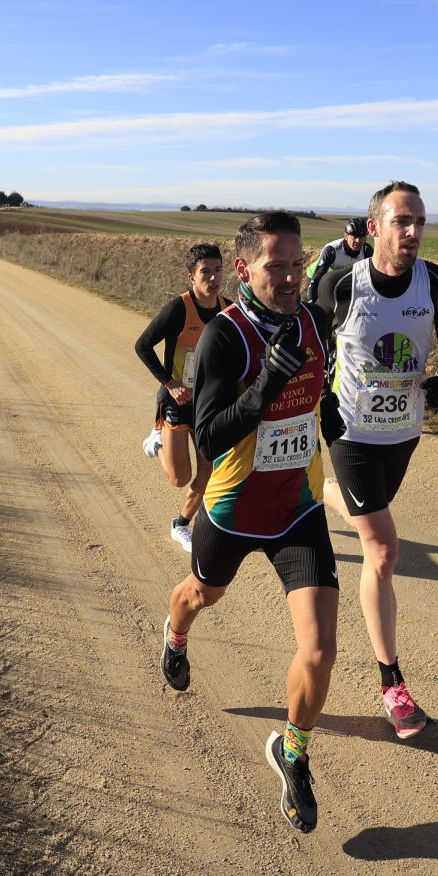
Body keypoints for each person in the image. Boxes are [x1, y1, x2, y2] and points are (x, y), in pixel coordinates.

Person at [161, 210, 344, 834]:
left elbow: (322, 391)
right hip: (233, 511)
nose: (292, 276)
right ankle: (175, 635)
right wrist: (267, 382)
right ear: (244, 269)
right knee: (199, 596)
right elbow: (208, 434)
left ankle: (292, 752)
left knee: (320, 650)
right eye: (277, 266)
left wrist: (335, 418)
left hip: (299, 509)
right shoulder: (224, 337)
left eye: (298, 264)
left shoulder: (314, 321)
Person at [313, 181, 438, 739]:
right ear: (374, 227)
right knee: (382, 547)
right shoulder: (342, 285)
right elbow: (311, 340)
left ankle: (319, 492)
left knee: (365, 516)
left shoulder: (436, 282)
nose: (414, 232)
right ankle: (392, 682)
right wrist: (319, 402)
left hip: (403, 433)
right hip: (350, 430)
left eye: (420, 221)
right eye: (402, 221)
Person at [134, 243, 230, 551]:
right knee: (179, 478)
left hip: (209, 406)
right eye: (205, 272)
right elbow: (143, 346)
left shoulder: (228, 310)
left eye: (218, 270)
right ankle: (157, 442)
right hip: (177, 402)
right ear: (192, 277)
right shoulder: (179, 308)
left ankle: (181, 524)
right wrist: (170, 382)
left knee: (208, 473)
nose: (213, 278)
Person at [304, 216, 371, 302]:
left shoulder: (367, 251)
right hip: (318, 275)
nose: (358, 241)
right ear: (346, 236)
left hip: (340, 277)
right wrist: (311, 302)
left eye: (362, 237)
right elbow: (317, 278)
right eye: (354, 237)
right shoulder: (332, 250)